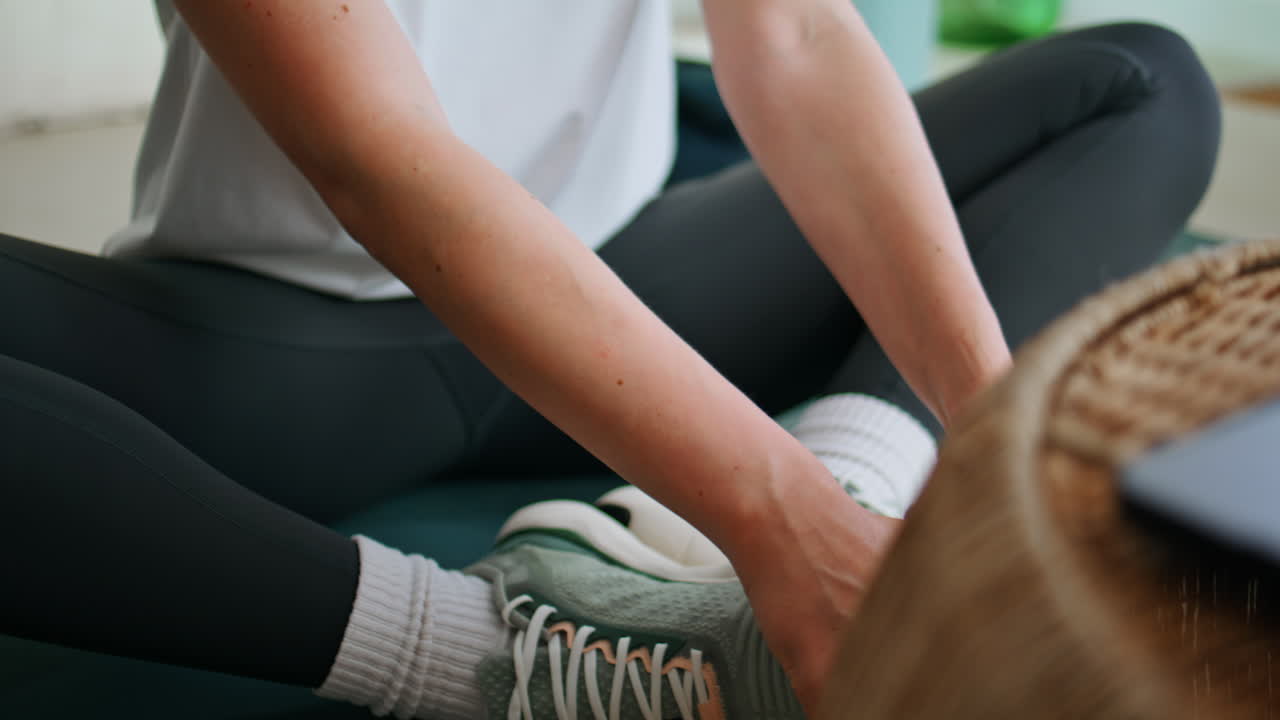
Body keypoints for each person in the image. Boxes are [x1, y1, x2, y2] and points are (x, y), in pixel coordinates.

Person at [0, 0, 1220, 717]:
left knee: (1137, 86)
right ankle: (498, 657)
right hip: (290, 356)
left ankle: (830, 512)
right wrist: (776, 520)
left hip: (635, 283)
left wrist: (990, 456)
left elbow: (793, 34)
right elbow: (378, 157)